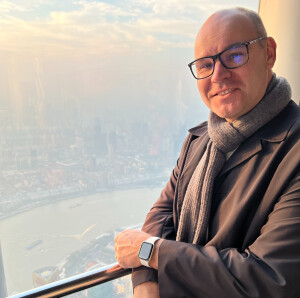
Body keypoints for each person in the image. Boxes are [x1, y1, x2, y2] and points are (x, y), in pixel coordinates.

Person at [114, 7, 300, 298]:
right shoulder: (199, 140)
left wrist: (151, 252)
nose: (218, 75)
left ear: (269, 53)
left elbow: (268, 278)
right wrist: (146, 282)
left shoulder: (294, 151)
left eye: (235, 55)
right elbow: (161, 215)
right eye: (204, 65)